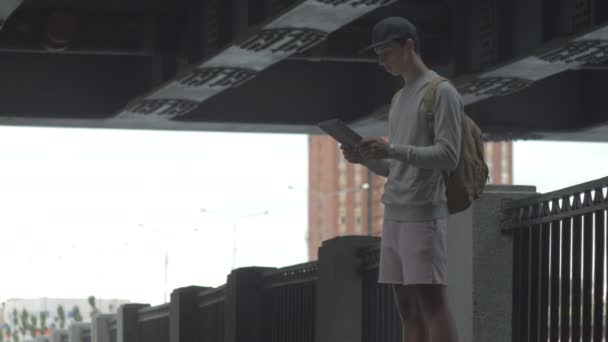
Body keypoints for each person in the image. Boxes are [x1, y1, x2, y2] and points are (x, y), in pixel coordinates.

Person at [342, 17, 462, 342]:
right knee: (407, 307)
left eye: (387, 53)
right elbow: (396, 166)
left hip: (424, 214)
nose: (381, 61)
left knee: (432, 303)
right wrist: (367, 159)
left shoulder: (441, 92)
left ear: (409, 45)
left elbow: (449, 156)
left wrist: (392, 149)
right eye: (378, 55)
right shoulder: (398, 99)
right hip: (394, 214)